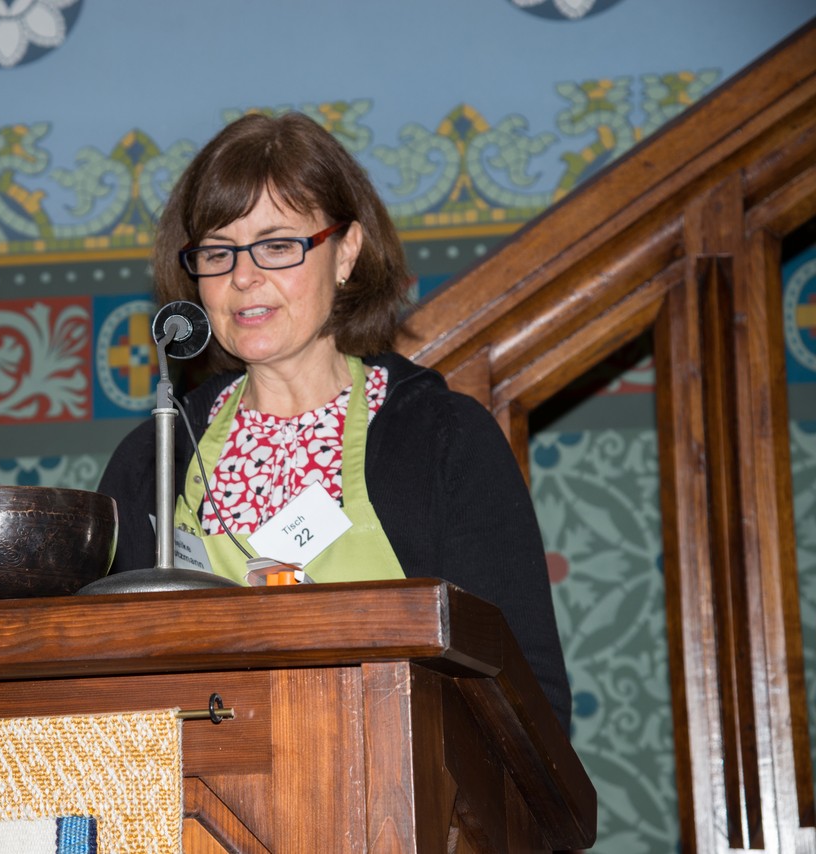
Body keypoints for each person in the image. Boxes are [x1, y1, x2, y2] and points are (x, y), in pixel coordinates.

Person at [96, 112, 571, 732]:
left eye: (276, 245)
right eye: (217, 251)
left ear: (346, 252)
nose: (243, 277)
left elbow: (526, 697)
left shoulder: (445, 439)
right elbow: (103, 692)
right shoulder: (152, 461)